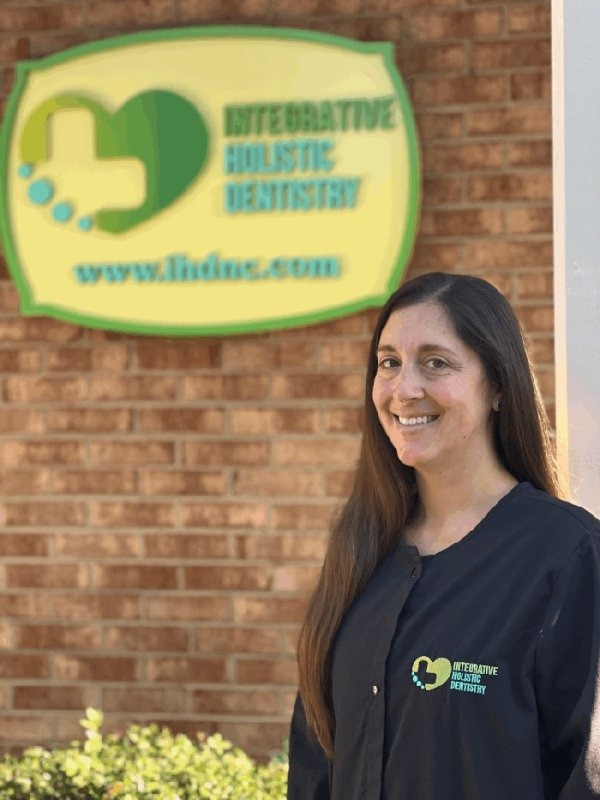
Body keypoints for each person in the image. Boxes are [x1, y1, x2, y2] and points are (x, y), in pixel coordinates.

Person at [286, 271, 600, 800]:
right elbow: (315, 757)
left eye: (436, 362)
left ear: (497, 387)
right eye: (389, 362)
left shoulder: (568, 555)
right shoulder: (360, 548)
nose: (405, 389)